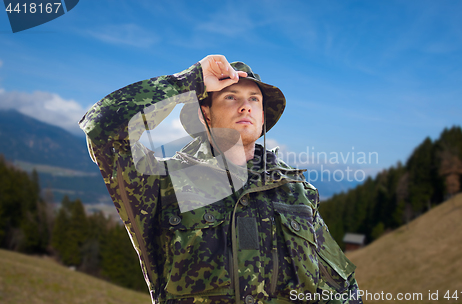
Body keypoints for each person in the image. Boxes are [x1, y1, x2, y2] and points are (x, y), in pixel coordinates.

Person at [79, 55, 363, 304]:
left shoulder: (297, 193)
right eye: (231, 97)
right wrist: (190, 82)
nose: (245, 107)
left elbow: (342, 287)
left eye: (254, 99)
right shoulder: (163, 183)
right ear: (205, 114)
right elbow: (101, 128)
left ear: (263, 116)